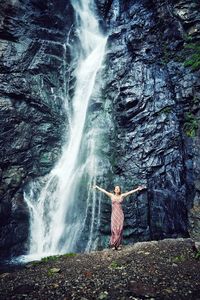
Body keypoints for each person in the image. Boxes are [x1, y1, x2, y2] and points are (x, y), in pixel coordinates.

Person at [93, 184, 146, 250]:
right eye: (116, 188)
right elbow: (104, 191)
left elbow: (130, 192)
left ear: (119, 190)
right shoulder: (111, 195)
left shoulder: (122, 196)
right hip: (114, 215)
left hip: (120, 214)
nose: (117, 189)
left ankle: (119, 244)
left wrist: (137, 189)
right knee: (114, 229)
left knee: (120, 229)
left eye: (118, 188)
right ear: (114, 190)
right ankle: (114, 244)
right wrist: (97, 187)